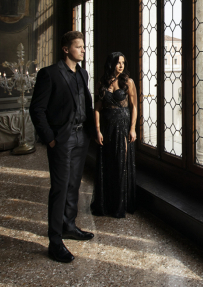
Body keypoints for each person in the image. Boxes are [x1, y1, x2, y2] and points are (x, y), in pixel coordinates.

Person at [29, 31, 95, 263]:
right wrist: (50, 139)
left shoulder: (83, 74)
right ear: (66, 49)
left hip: (81, 138)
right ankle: (55, 241)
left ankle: (68, 225)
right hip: (62, 139)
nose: (83, 50)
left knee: (73, 185)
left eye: (84, 46)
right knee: (59, 188)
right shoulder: (49, 74)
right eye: (79, 46)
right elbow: (36, 109)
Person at [90, 52, 137, 218]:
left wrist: (132, 129)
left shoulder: (128, 82)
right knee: (107, 163)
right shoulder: (103, 82)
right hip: (107, 126)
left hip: (123, 127)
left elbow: (134, 107)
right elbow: (97, 109)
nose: (121, 66)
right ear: (111, 64)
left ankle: (120, 204)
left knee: (121, 163)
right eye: (118, 63)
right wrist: (97, 130)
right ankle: (107, 203)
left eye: (123, 63)